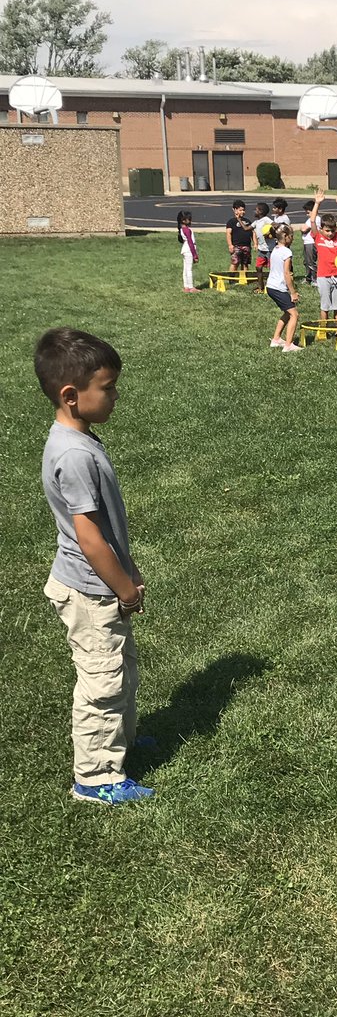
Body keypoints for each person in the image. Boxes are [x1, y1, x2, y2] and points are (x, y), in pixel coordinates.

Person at [36, 328, 153, 805]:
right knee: (102, 680)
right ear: (71, 395)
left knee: (121, 670)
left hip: (100, 583)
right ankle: (96, 776)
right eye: (107, 387)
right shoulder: (75, 454)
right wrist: (124, 587)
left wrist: (128, 570)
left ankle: (116, 746)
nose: (115, 395)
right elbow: (88, 537)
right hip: (90, 589)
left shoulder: (77, 438)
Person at [308, 189, 337, 324]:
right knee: (325, 305)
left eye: (333, 230)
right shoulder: (318, 237)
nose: (330, 233)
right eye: (327, 230)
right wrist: (317, 203)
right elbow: (312, 220)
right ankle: (324, 329)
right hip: (323, 276)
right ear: (322, 229)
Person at [266, 224, 300, 352]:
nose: (293, 239)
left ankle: (276, 340)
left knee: (288, 312)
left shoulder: (276, 249)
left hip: (271, 286)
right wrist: (293, 292)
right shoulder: (287, 252)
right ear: (285, 237)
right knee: (294, 315)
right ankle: (288, 345)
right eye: (292, 236)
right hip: (278, 288)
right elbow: (287, 274)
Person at [251, 201, 274, 294]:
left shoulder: (266, 220)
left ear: (260, 211)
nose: (254, 211)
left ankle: (273, 287)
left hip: (270, 249)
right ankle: (261, 287)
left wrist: (271, 233)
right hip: (261, 250)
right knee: (258, 267)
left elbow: (275, 225)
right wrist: (239, 219)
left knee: (273, 269)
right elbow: (246, 228)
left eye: (256, 210)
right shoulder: (256, 222)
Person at [226, 199, 253, 271]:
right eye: (240, 210)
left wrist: (255, 242)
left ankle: (244, 280)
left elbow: (252, 232)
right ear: (234, 210)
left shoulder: (247, 221)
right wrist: (230, 245)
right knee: (235, 263)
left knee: (245, 264)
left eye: (243, 210)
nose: (243, 212)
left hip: (247, 246)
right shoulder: (231, 222)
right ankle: (232, 279)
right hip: (236, 246)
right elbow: (228, 233)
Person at [177, 209, 198, 293]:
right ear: (183, 220)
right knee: (189, 269)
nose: (190, 220)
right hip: (188, 250)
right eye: (188, 219)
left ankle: (186, 287)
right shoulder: (187, 230)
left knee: (185, 269)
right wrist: (195, 255)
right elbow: (190, 243)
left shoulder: (182, 229)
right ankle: (191, 287)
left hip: (185, 249)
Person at [299, 199, 318, 285]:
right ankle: (308, 278)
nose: (307, 214)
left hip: (311, 243)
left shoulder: (315, 219)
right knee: (306, 261)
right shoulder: (310, 219)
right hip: (307, 242)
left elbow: (303, 229)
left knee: (311, 262)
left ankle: (315, 279)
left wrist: (302, 228)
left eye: (308, 212)